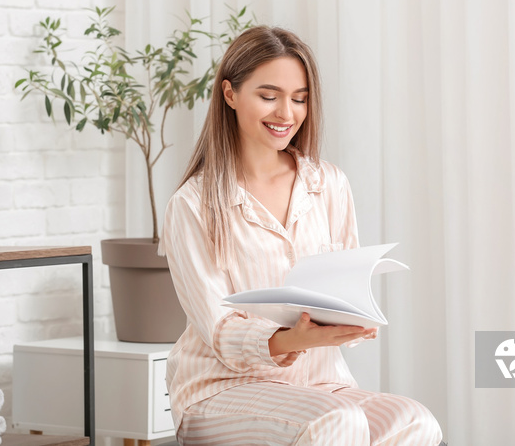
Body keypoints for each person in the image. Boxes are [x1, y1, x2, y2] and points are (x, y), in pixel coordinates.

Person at [158, 25, 443, 445]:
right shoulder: (192, 204)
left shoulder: (328, 184)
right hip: (221, 389)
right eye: (269, 96)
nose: (286, 113)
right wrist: (289, 340)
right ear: (230, 94)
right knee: (336, 421)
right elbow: (217, 328)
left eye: (299, 98)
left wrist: (353, 318)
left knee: (415, 420)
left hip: (320, 385)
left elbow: (345, 281)